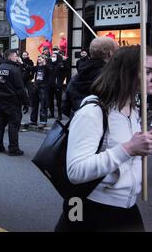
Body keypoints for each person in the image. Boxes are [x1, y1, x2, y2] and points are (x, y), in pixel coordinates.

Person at [55, 46, 152, 232]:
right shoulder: (93, 112)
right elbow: (75, 171)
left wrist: (142, 144)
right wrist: (129, 149)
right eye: (148, 71)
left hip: (128, 207)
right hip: (92, 209)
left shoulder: (133, 111)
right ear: (127, 72)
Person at [63, 37, 119, 117]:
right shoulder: (113, 78)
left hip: (79, 123)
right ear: (110, 53)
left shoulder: (76, 77)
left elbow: (65, 107)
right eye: (116, 51)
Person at [0, 49, 29, 156]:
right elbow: (20, 89)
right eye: (16, 56)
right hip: (12, 102)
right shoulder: (14, 69)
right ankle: (13, 148)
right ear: (11, 57)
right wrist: (26, 102)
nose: (17, 58)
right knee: (13, 126)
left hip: (0, 101)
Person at [29, 55, 50, 128]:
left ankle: (43, 122)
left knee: (43, 105)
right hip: (36, 87)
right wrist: (22, 62)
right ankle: (33, 121)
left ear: (44, 60)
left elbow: (50, 71)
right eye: (38, 59)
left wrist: (45, 64)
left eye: (40, 59)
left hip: (43, 88)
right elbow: (30, 68)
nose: (39, 60)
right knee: (34, 105)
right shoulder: (37, 67)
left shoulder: (47, 67)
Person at [47, 51, 66, 121]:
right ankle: (51, 113)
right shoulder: (49, 63)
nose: (53, 58)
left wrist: (60, 82)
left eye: (54, 57)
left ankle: (60, 115)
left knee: (59, 101)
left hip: (57, 85)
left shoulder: (61, 64)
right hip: (50, 84)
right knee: (50, 100)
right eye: (52, 56)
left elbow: (64, 73)